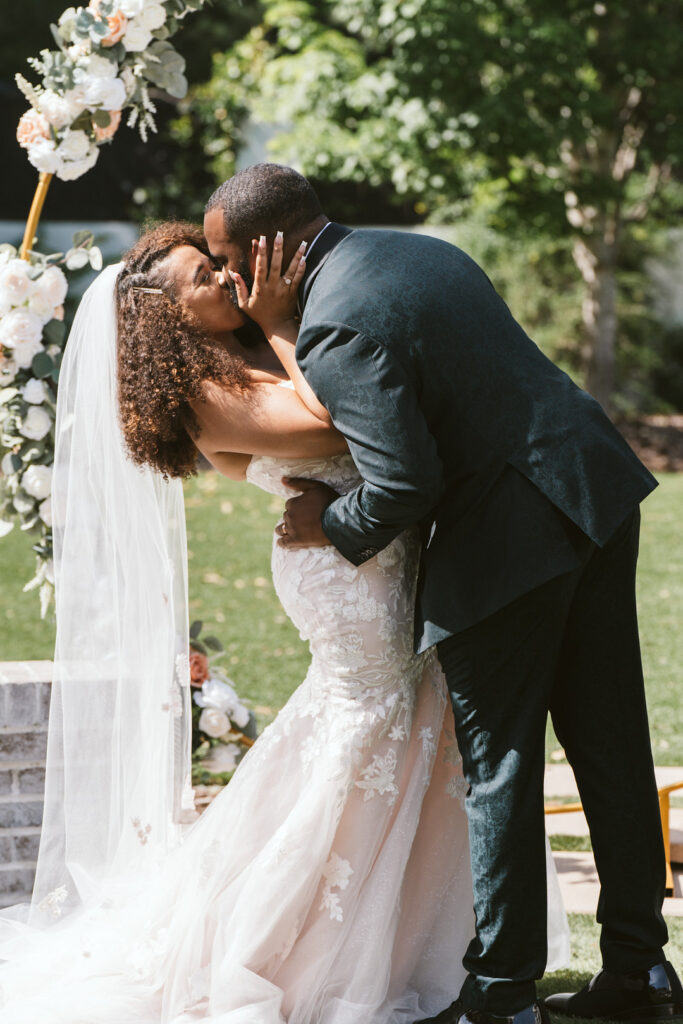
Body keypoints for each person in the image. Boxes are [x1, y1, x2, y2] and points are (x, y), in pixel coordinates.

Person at [0, 221, 569, 1024]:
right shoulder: (206, 392)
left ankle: (426, 937)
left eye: (215, 264)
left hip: (375, 551)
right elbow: (337, 420)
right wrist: (276, 320)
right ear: (168, 316)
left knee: (407, 725)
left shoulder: (243, 361)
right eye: (202, 277)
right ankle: (276, 941)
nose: (225, 280)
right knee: (365, 726)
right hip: (343, 573)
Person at [203, 163, 683, 1024]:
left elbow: (401, 485)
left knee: (498, 763)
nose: (229, 284)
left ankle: (501, 995)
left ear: (269, 250)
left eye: (226, 261)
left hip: (512, 534)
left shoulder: (332, 325)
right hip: (592, 484)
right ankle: (639, 975)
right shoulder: (416, 251)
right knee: (609, 746)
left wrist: (324, 522)